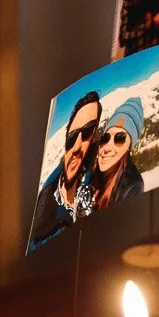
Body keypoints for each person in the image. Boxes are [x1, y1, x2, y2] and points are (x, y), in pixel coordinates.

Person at [27, 91, 101, 250]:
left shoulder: (98, 181)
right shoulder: (45, 205)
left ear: (94, 136)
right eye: (72, 137)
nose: (77, 147)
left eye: (87, 131)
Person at [78, 97, 145, 213]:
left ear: (128, 148)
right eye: (105, 138)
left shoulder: (132, 187)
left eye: (120, 138)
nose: (107, 147)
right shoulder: (90, 172)